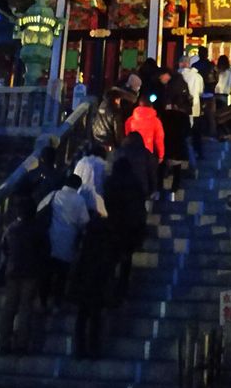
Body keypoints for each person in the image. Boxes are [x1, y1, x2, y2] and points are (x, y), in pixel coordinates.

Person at [0, 196, 48, 355]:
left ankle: (4, 343)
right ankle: (21, 343)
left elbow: (5, 249)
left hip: (13, 271)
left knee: (9, 307)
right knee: (25, 307)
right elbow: (45, 251)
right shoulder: (38, 229)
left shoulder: (11, 229)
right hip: (31, 272)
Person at [37, 173, 89, 313]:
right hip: (68, 240)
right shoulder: (79, 200)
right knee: (62, 274)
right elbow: (84, 221)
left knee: (46, 273)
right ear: (78, 186)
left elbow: (40, 209)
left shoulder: (54, 194)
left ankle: (43, 301)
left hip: (50, 239)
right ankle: (57, 303)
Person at [103, 153, 148, 303]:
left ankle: (108, 287)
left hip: (113, 225)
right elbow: (140, 206)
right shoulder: (135, 183)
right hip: (130, 227)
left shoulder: (110, 182)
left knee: (111, 258)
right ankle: (122, 287)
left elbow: (107, 201)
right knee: (126, 259)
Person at [71, 211, 115, 359]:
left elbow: (78, 267)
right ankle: (93, 348)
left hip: (84, 285)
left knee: (82, 318)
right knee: (95, 319)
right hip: (97, 286)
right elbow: (108, 268)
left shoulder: (85, 247)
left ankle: (79, 348)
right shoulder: (106, 247)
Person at [161, 74, 193, 194]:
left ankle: (160, 187)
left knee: (164, 166)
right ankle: (175, 188)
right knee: (177, 169)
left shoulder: (165, 115)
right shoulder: (183, 117)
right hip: (179, 145)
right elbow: (188, 132)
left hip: (167, 144)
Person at [125, 89, 165, 168]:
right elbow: (159, 139)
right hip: (148, 154)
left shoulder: (130, 120)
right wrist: (161, 155)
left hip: (133, 152)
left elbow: (127, 136)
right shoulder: (156, 121)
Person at [113, 132, 157, 199]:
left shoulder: (119, 152)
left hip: (123, 188)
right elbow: (152, 173)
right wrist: (152, 189)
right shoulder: (146, 153)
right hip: (141, 188)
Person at [179, 54, 204, 158]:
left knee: (183, 131)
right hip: (196, 106)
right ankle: (198, 151)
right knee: (195, 130)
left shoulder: (179, 75)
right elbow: (201, 91)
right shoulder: (198, 77)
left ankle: (185, 153)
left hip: (182, 107)